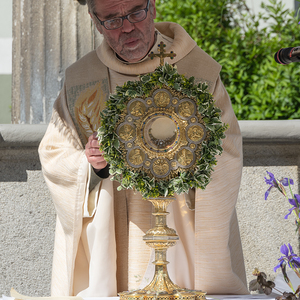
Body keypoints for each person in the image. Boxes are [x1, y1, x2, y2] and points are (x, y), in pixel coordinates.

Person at [38, 0, 249, 297]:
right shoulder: (82, 78)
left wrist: (184, 157)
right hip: (113, 242)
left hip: (182, 234)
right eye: (112, 20)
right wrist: (92, 166)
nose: (127, 27)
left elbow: (226, 149)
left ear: (152, 8)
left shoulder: (196, 71)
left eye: (136, 12)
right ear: (95, 21)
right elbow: (55, 154)